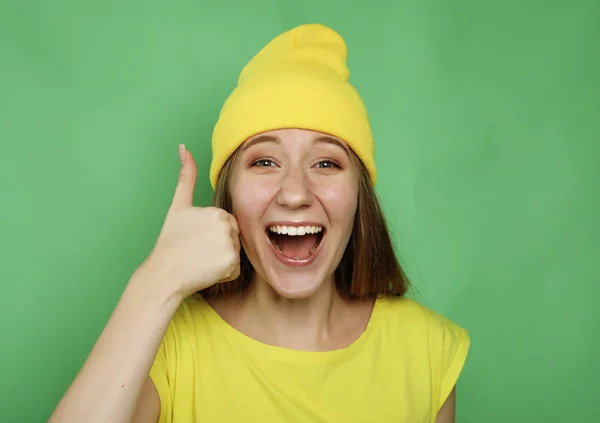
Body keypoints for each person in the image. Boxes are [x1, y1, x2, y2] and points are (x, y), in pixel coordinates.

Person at [48, 23, 470, 423]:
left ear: (359, 195)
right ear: (228, 193)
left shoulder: (430, 353)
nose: (295, 193)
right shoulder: (165, 348)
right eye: (264, 161)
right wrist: (156, 280)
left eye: (326, 162)